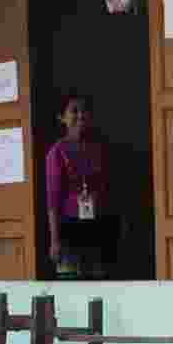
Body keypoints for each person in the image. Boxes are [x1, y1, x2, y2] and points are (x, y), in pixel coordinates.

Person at [45, 95, 113, 280]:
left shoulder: (98, 148)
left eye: (84, 110)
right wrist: (54, 240)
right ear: (62, 118)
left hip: (97, 227)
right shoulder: (57, 152)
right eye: (74, 110)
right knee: (71, 285)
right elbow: (52, 199)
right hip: (69, 228)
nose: (81, 115)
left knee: (99, 285)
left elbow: (107, 189)